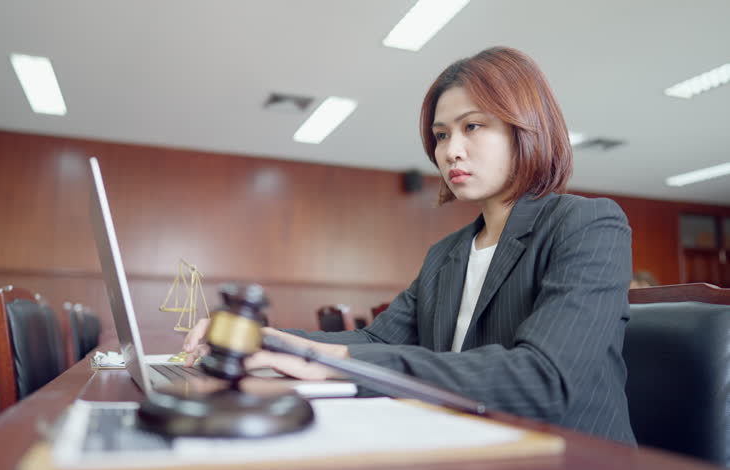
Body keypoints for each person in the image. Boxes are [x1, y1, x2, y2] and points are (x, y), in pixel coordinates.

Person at [184, 47, 635, 445]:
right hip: (465, 443)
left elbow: (545, 380)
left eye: (472, 126)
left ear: (526, 129)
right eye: (441, 135)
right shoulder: (447, 253)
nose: (451, 151)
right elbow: (374, 340)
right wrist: (269, 340)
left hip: (571, 460)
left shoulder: (588, 225)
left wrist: (338, 362)